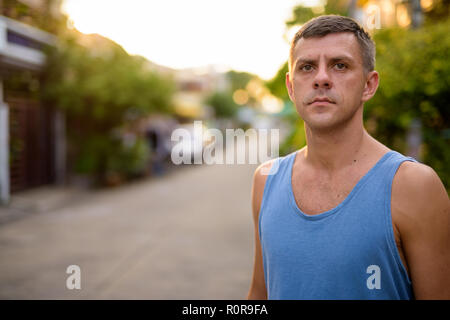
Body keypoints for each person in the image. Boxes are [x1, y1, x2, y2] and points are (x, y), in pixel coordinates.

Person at [247, 15, 449, 300]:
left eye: (339, 65)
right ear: (291, 87)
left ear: (369, 84)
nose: (321, 78)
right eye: (307, 67)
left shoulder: (414, 186)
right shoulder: (265, 180)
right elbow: (260, 293)